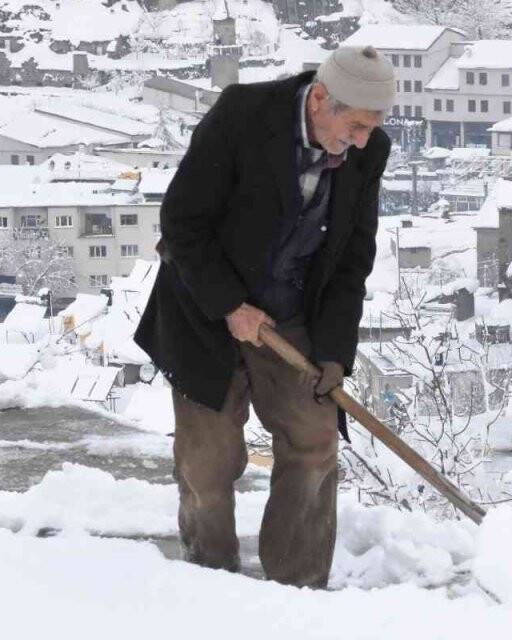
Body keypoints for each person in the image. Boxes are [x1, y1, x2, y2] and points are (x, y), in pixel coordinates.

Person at [135, 45, 394, 588]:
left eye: (373, 128)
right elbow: (182, 223)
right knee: (208, 460)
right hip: (204, 305)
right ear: (321, 99)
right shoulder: (243, 116)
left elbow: (351, 260)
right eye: (357, 125)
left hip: (291, 314)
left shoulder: (369, 152)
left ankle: (297, 588)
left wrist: (332, 355)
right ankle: (211, 577)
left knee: (315, 440)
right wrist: (230, 304)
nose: (364, 140)